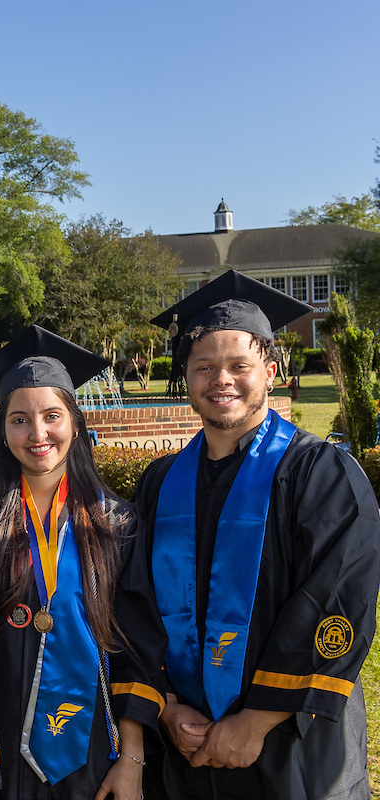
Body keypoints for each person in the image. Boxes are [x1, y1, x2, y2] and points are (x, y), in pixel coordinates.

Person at [134, 270, 380, 799]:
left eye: (238, 366)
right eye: (204, 367)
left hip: (292, 738)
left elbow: (335, 597)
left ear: (270, 372)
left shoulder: (321, 473)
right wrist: (169, 704)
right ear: (186, 378)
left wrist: (257, 721)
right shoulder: (160, 483)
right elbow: (135, 601)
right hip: (184, 740)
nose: (221, 379)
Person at [0, 325, 167, 799]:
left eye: (52, 415)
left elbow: (138, 647)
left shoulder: (118, 524)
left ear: (76, 423)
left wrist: (132, 758)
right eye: (19, 419)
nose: (37, 433)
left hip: (97, 753)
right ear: (1, 431)